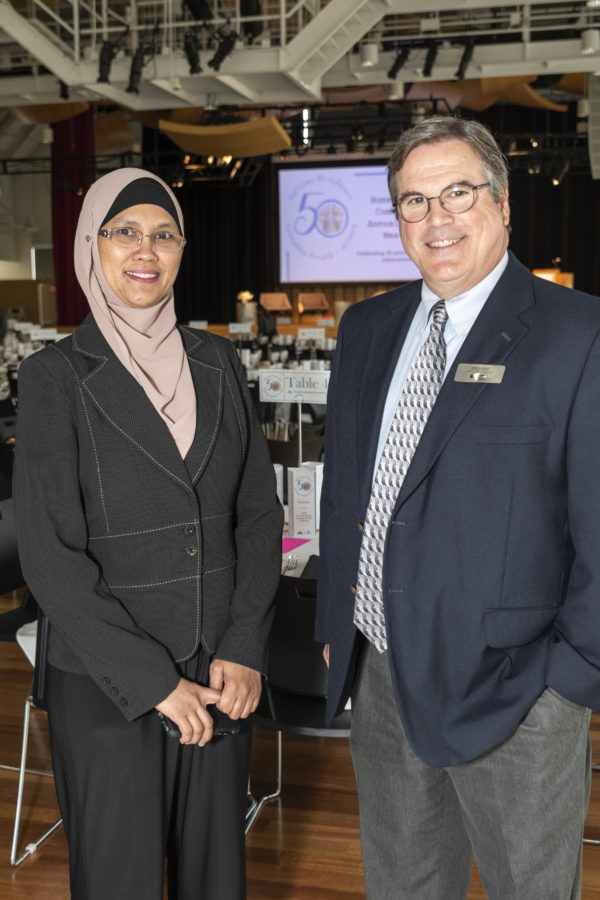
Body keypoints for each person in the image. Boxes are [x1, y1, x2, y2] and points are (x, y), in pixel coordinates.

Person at [316, 116, 600, 899]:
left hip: (515, 696)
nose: (436, 220)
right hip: (381, 678)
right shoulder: (366, 329)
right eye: (414, 202)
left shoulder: (579, 335)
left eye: (457, 193)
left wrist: (566, 681)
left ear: (504, 204)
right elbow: (347, 494)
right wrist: (339, 637)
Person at [14, 167, 283, 900]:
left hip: (221, 677)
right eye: (125, 231)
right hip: (108, 683)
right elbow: (49, 555)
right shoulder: (56, 376)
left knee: (215, 881)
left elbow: (260, 515)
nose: (146, 249)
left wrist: (244, 646)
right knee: (119, 882)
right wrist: (154, 682)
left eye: (164, 234)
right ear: (90, 246)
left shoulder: (219, 363)